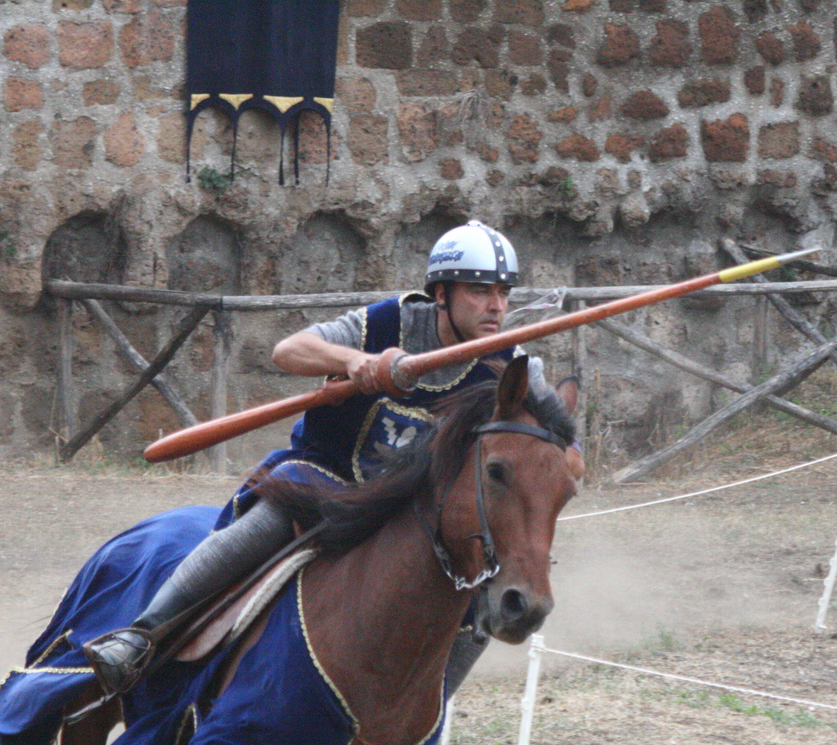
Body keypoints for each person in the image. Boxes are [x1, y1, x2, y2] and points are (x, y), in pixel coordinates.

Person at [83, 220, 546, 695]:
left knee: (478, 589)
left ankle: (427, 710)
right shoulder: (386, 322)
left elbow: (555, 440)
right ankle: (141, 637)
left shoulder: (511, 364)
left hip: (414, 507)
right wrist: (351, 361)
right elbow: (288, 351)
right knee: (272, 519)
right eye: (480, 290)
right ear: (442, 293)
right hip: (330, 474)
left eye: (503, 293)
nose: (496, 306)